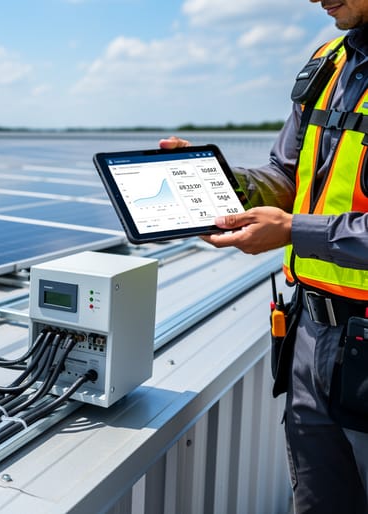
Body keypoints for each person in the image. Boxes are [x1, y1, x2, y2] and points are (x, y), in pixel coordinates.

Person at [160, 1, 368, 511]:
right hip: (311, 342)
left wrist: (296, 232)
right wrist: (223, 187)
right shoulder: (330, 63)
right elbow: (286, 174)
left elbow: (296, 221)